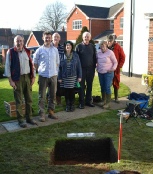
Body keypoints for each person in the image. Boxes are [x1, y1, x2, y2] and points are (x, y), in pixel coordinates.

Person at [4, 35, 36, 128]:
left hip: (27, 78)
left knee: (29, 99)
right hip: (17, 79)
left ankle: (29, 118)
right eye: (17, 41)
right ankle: (21, 120)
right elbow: (7, 67)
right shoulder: (10, 52)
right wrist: (10, 81)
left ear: (23, 41)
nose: (19, 43)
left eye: (20, 41)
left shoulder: (27, 51)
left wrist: (33, 77)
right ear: (14, 42)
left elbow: (32, 64)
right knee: (19, 100)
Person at [33, 31, 59, 122]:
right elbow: (35, 62)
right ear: (43, 38)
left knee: (53, 95)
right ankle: (42, 114)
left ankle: (51, 112)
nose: (48, 39)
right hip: (43, 76)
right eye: (46, 37)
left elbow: (57, 62)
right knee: (42, 96)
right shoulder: (39, 50)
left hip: (53, 76)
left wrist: (55, 72)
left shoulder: (55, 50)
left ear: (51, 38)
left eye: (49, 37)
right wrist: (40, 70)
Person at [58, 41, 82, 112]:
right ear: (65, 47)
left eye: (69, 45)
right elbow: (59, 67)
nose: (68, 47)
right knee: (66, 92)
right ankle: (67, 105)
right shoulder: (61, 55)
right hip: (64, 77)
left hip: (73, 76)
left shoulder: (75, 55)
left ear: (72, 47)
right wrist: (59, 77)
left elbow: (79, 66)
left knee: (72, 91)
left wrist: (79, 76)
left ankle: (72, 105)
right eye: (67, 45)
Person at [75, 32, 96, 109]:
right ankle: (81, 102)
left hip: (90, 69)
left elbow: (94, 58)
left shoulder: (92, 46)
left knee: (89, 86)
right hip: (81, 70)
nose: (86, 38)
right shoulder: (78, 46)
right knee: (81, 87)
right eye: (85, 37)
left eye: (88, 37)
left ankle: (88, 101)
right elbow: (76, 59)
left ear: (90, 38)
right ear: (82, 38)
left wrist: (94, 68)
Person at [96, 40, 118, 109]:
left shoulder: (110, 52)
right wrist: (96, 67)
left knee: (107, 87)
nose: (102, 47)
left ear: (106, 46)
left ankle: (108, 103)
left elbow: (115, 62)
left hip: (108, 73)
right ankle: (103, 100)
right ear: (99, 46)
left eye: (104, 46)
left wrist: (113, 69)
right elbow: (96, 61)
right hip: (100, 72)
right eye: (101, 46)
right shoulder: (98, 52)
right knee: (102, 86)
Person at [107, 34, 125, 103]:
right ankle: (107, 98)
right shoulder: (105, 47)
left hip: (116, 69)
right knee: (107, 83)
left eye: (110, 41)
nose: (109, 42)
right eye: (108, 41)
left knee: (116, 82)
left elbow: (122, 57)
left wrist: (119, 66)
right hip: (107, 68)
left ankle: (116, 98)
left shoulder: (118, 47)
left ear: (113, 41)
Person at [51, 32, 64, 105]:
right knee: (51, 86)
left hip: (60, 70)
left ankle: (58, 100)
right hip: (51, 70)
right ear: (52, 39)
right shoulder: (49, 47)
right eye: (54, 37)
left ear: (59, 39)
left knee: (59, 86)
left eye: (57, 37)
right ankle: (51, 100)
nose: (56, 38)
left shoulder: (62, 48)